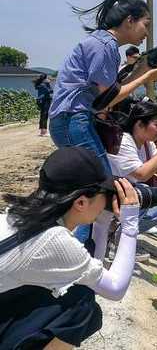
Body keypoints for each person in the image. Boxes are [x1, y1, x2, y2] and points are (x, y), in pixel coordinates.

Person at [48, 0, 157, 243]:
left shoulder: (104, 44)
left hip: (73, 120)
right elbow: (106, 100)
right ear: (129, 21)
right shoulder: (104, 47)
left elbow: (113, 90)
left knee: (88, 188)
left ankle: (73, 244)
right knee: (100, 187)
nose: (147, 33)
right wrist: (145, 78)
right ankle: (80, 251)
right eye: (146, 24)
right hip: (74, 120)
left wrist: (143, 68)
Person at [0, 146, 140, 349]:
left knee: (79, 288)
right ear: (81, 202)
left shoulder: (16, 215)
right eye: (105, 194)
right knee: (80, 303)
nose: (108, 200)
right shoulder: (54, 241)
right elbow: (115, 289)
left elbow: (89, 276)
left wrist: (101, 224)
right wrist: (130, 225)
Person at [108, 101, 157, 238]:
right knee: (143, 191)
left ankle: (121, 235)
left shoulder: (148, 144)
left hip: (128, 193)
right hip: (112, 195)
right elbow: (142, 174)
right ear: (139, 124)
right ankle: (118, 236)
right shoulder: (124, 142)